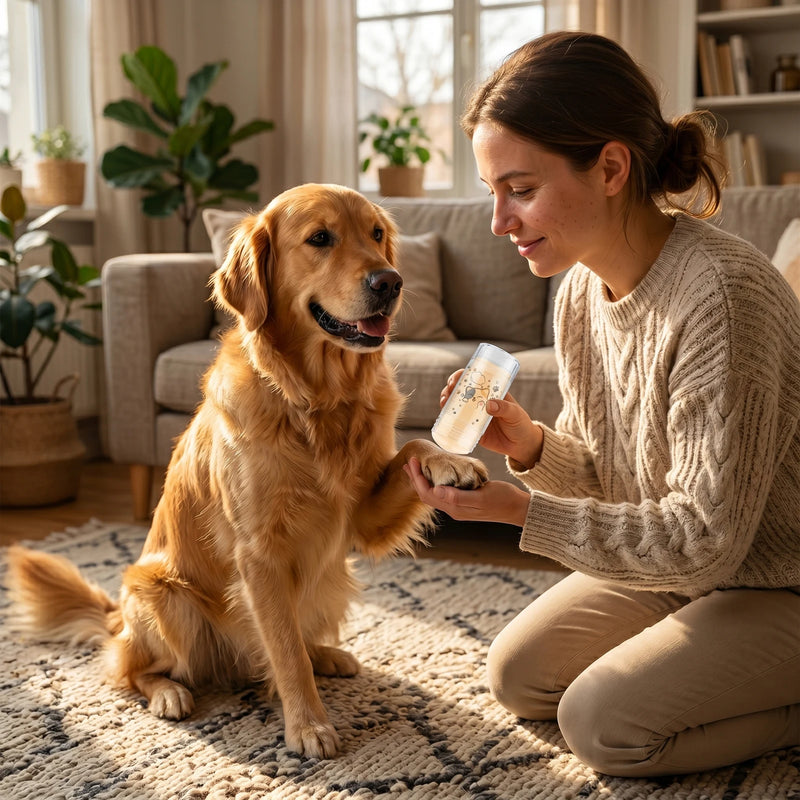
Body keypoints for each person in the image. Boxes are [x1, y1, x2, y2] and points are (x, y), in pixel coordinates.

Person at [403, 30, 800, 778]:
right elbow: (610, 473)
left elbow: (706, 535)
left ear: (611, 166)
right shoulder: (582, 289)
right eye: (494, 192)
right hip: (687, 573)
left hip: (779, 575)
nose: (499, 222)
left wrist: (521, 512)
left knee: (602, 723)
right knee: (519, 677)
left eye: (520, 189)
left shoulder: (722, 298)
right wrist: (526, 447)